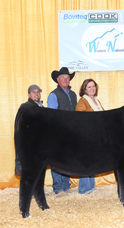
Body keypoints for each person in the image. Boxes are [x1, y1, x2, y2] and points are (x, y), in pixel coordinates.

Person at [47, 67, 77, 196]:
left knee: (68, 159)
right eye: (62, 78)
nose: (65, 80)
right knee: (57, 160)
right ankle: (58, 188)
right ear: (58, 80)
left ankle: (66, 185)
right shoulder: (53, 95)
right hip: (58, 133)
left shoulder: (73, 94)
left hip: (71, 132)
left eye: (67, 78)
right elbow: (51, 116)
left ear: (69, 80)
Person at [76, 79, 104, 194]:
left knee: (92, 160)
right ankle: (83, 188)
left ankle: (90, 185)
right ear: (84, 89)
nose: (92, 89)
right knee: (86, 161)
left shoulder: (96, 101)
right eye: (89, 87)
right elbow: (80, 119)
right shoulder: (83, 101)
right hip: (86, 135)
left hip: (96, 135)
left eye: (93, 86)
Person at [14, 85, 43, 176]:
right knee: (31, 166)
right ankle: (31, 189)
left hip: (40, 142)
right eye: (33, 92)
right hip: (30, 142)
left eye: (38, 91)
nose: (36, 93)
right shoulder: (26, 107)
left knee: (39, 166)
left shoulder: (41, 107)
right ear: (28, 95)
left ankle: (37, 190)